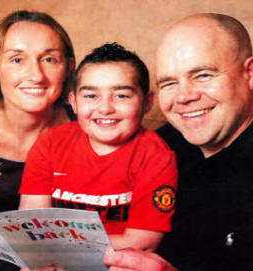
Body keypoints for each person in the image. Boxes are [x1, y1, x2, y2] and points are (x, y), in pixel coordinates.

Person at [104, 13, 253, 271]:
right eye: (169, 83)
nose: (183, 97)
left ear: (249, 74)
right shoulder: (154, 149)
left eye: (203, 75)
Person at [19, 43, 177, 252]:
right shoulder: (50, 143)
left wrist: (64, 249)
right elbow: (30, 222)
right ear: (73, 102)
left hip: (118, 261)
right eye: (91, 96)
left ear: (147, 102)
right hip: (55, 258)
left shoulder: (156, 157)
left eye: (121, 96)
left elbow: (143, 243)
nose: (105, 108)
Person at [0, 10, 75, 270]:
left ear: (68, 67)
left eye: (49, 59)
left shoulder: (90, 128)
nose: (36, 75)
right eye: (17, 59)